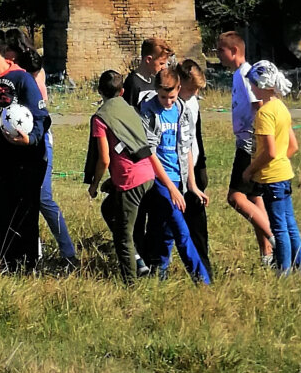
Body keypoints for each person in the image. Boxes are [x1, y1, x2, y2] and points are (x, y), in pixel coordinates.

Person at [0, 27, 48, 272]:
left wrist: (31, 140)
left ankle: (29, 264)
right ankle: (7, 262)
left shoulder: (23, 79)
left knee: (26, 212)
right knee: (2, 212)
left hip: (26, 159)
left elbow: (41, 117)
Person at [4, 31, 76, 267]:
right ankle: (32, 252)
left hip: (39, 139)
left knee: (43, 197)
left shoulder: (30, 72)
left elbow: (39, 115)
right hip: (20, 140)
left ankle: (69, 253)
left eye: (8, 51)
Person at [135, 67, 210, 284]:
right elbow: (149, 152)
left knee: (165, 229)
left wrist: (192, 186)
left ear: (179, 89)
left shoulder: (182, 109)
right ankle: (202, 280)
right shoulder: (149, 111)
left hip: (178, 179)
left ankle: (159, 272)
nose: (167, 102)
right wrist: (170, 187)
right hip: (160, 179)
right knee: (181, 231)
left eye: (171, 97)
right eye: (162, 97)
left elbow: (185, 148)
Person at [84, 68, 158, 283]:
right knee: (109, 208)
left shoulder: (100, 117)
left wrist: (94, 184)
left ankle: (131, 283)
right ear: (123, 91)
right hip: (148, 173)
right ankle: (139, 261)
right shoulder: (130, 109)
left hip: (130, 180)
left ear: (99, 91)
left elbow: (105, 159)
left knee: (123, 236)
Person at [217, 30, 275, 265]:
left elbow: (261, 106)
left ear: (234, 51)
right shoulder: (237, 75)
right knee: (254, 196)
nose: (218, 55)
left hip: (250, 145)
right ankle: (267, 254)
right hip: (246, 142)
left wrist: (259, 141)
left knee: (235, 198)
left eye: (220, 51)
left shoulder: (247, 75)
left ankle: (276, 240)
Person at [246, 62, 301, 272]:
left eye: (252, 84)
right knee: (290, 225)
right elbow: (293, 145)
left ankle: (284, 272)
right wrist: (280, 160)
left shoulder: (264, 113)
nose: (251, 88)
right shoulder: (281, 107)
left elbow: (269, 152)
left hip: (271, 178)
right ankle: (300, 267)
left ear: (260, 85)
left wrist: (250, 170)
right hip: (285, 173)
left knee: (279, 228)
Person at [175, 59, 212, 276]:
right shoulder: (173, 103)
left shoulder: (192, 103)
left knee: (197, 228)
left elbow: (194, 139)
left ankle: (204, 270)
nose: (194, 93)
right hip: (177, 171)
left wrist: (200, 171)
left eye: (197, 90)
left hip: (194, 168)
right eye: (191, 89)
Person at [123, 36, 175, 108]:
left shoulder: (155, 81)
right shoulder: (132, 84)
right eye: (161, 63)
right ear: (148, 59)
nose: (164, 67)